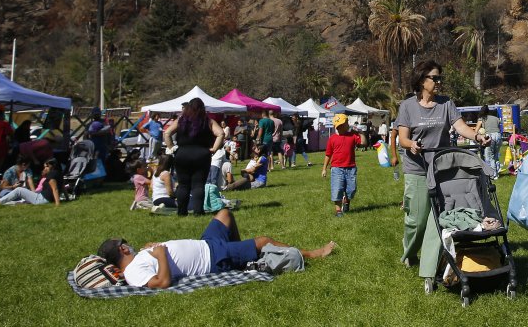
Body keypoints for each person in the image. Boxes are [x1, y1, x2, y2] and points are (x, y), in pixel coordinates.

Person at [396, 60, 490, 294]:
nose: (438, 82)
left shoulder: (446, 103)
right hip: (417, 169)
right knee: (416, 221)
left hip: (441, 170)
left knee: (438, 220)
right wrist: (411, 145)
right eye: (434, 78)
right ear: (421, 81)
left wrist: (476, 137)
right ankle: (409, 252)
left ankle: (431, 265)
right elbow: (403, 138)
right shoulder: (407, 106)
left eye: (440, 78)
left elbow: (460, 127)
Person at [97, 208, 335, 288]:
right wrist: (159, 255)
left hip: (207, 244)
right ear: (122, 250)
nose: (130, 244)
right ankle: (312, 254)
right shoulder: (132, 273)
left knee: (224, 214)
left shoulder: (137, 259)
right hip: (213, 258)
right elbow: (161, 283)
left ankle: (240, 252)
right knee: (263, 241)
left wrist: (152, 250)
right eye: (126, 243)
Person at [163, 98, 225, 216]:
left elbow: (167, 133)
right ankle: (198, 211)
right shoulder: (208, 121)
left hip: (182, 153)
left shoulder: (181, 120)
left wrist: (172, 148)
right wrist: (214, 149)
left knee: (183, 184)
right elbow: (221, 133)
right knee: (198, 184)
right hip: (202, 154)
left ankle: (181, 212)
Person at [322, 113, 361, 217]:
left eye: (342, 124)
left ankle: (347, 202)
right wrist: (324, 169)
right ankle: (338, 210)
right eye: (338, 126)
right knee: (337, 189)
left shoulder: (352, 136)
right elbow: (328, 154)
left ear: (346, 124)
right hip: (337, 168)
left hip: (351, 167)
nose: (339, 127)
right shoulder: (332, 138)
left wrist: (359, 133)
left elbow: (364, 143)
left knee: (351, 189)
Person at [474, 105, 504, 179]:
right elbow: (499, 128)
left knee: (489, 156)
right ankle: (497, 172)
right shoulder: (496, 118)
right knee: (496, 155)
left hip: (489, 137)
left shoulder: (482, 118)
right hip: (498, 136)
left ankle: (493, 175)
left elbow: (476, 130)